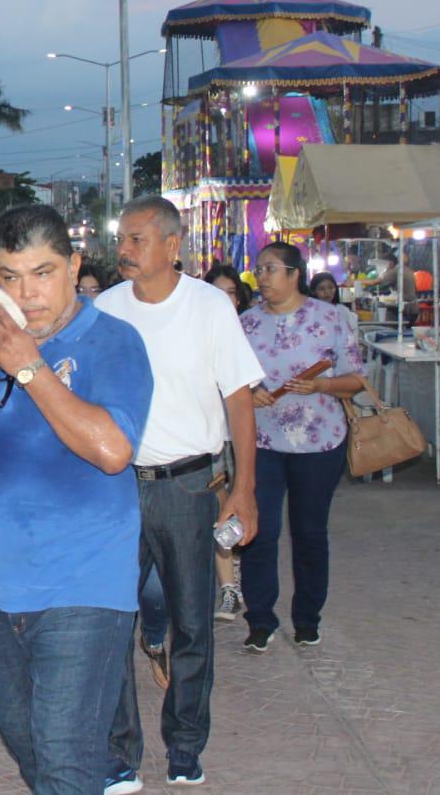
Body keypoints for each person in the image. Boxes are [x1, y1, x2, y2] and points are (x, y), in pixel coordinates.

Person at [0, 205, 153, 794]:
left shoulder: (114, 341)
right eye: (10, 276)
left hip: (83, 580)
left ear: (74, 267)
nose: (27, 294)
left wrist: (30, 367)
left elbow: (113, 450)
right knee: (32, 752)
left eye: (43, 273)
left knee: (65, 759)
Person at [95, 196, 264, 793]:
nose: (123, 250)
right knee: (111, 623)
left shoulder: (209, 306)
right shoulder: (105, 310)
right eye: (121, 239)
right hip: (117, 487)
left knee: (193, 624)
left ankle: (185, 748)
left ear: (172, 246)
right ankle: (119, 755)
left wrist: (244, 488)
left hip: (189, 485)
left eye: (136, 239)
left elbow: (239, 401)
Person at [242, 242, 366, 651]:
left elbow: (356, 379)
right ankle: (260, 619)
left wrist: (321, 386)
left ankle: (308, 618)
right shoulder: (246, 323)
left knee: (310, 532)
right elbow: (228, 378)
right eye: (259, 269)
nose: (262, 277)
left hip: (319, 441)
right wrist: (250, 392)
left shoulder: (331, 318)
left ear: (295, 273)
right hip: (261, 441)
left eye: (271, 269)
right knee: (260, 531)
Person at [201, 262, 253, 623]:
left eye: (231, 293)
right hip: (213, 441)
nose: (224, 300)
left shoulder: (251, 329)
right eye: (217, 293)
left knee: (240, 507)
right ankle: (228, 585)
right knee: (220, 509)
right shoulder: (197, 332)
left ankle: (235, 578)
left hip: (248, 438)